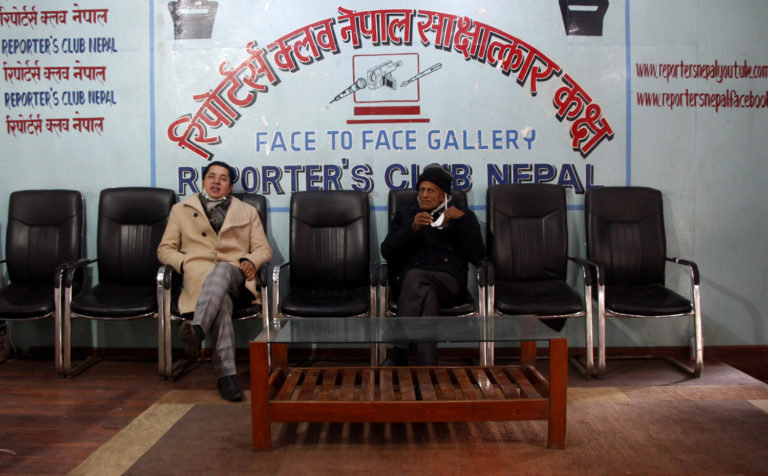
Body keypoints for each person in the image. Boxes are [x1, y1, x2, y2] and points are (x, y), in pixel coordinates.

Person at [158, 161, 272, 401]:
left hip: (235, 278)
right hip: (200, 280)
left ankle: (198, 328)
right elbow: (165, 250)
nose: (216, 181)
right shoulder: (180, 210)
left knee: (222, 268)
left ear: (230, 187)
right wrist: (185, 263)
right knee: (221, 306)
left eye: (223, 178)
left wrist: (251, 261)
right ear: (203, 181)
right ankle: (226, 378)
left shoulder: (247, 211)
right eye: (211, 176)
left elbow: (263, 249)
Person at [380, 163, 485, 365]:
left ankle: (399, 351)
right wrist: (411, 229)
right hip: (414, 288)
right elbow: (387, 251)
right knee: (428, 297)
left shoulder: (461, 215)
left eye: (431, 191)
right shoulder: (406, 214)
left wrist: (463, 222)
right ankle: (426, 369)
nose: (424, 195)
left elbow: (477, 255)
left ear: (444, 194)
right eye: (421, 190)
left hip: (449, 282)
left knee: (415, 277)